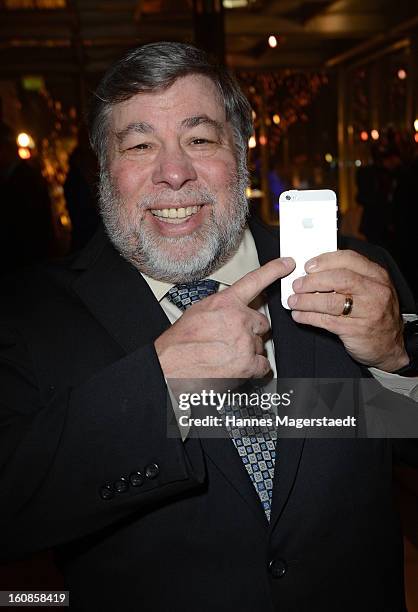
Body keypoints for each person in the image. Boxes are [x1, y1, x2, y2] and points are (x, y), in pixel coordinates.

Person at [0, 42, 417, 612]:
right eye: (141, 144)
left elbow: (399, 435)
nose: (174, 173)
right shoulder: (29, 312)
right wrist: (160, 385)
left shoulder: (362, 277)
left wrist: (396, 362)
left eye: (200, 139)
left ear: (240, 155)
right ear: (104, 168)